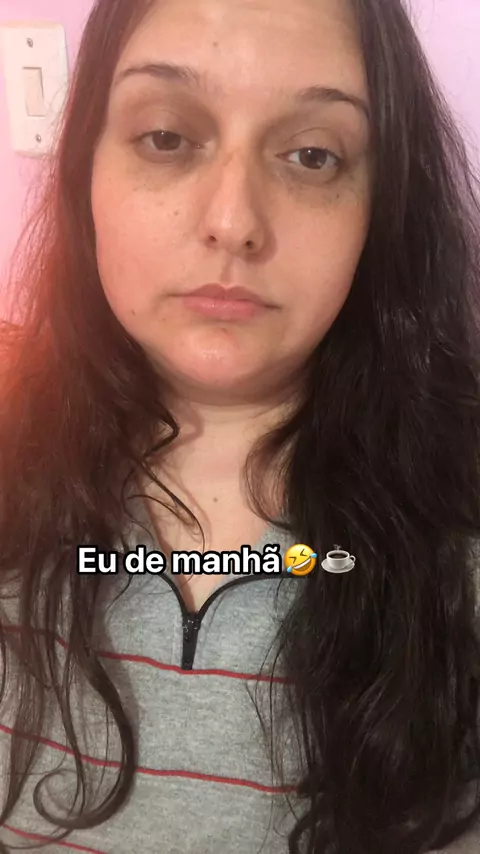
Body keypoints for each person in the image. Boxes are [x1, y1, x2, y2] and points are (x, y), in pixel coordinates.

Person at [1, 0, 480, 851]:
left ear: (383, 207)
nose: (233, 221)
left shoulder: (459, 549)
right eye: (166, 137)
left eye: (312, 154)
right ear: (85, 171)